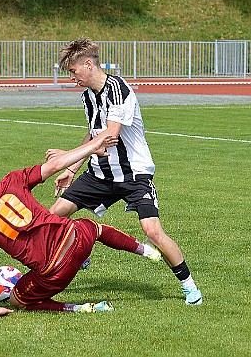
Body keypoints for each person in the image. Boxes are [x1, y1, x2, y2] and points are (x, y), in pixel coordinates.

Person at [49, 37, 202, 306]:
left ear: (88, 64)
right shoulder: (87, 97)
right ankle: (78, 251)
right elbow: (94, 134)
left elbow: (110, 136)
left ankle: (189, 286)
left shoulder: (117, 89)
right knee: (51, 217)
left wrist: (65, 156)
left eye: (73, 71)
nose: (72, 78)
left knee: (152, 231)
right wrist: (72, 168)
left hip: (134, 175)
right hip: (100, 173)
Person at [0, 135, 162, 317]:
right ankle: (146, 250)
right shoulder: (13, 179)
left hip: (54, 273)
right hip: (76, 239)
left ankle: (78, 308)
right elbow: (55, 165)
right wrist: (91, 148)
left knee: (18, 301)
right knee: (94, 227)